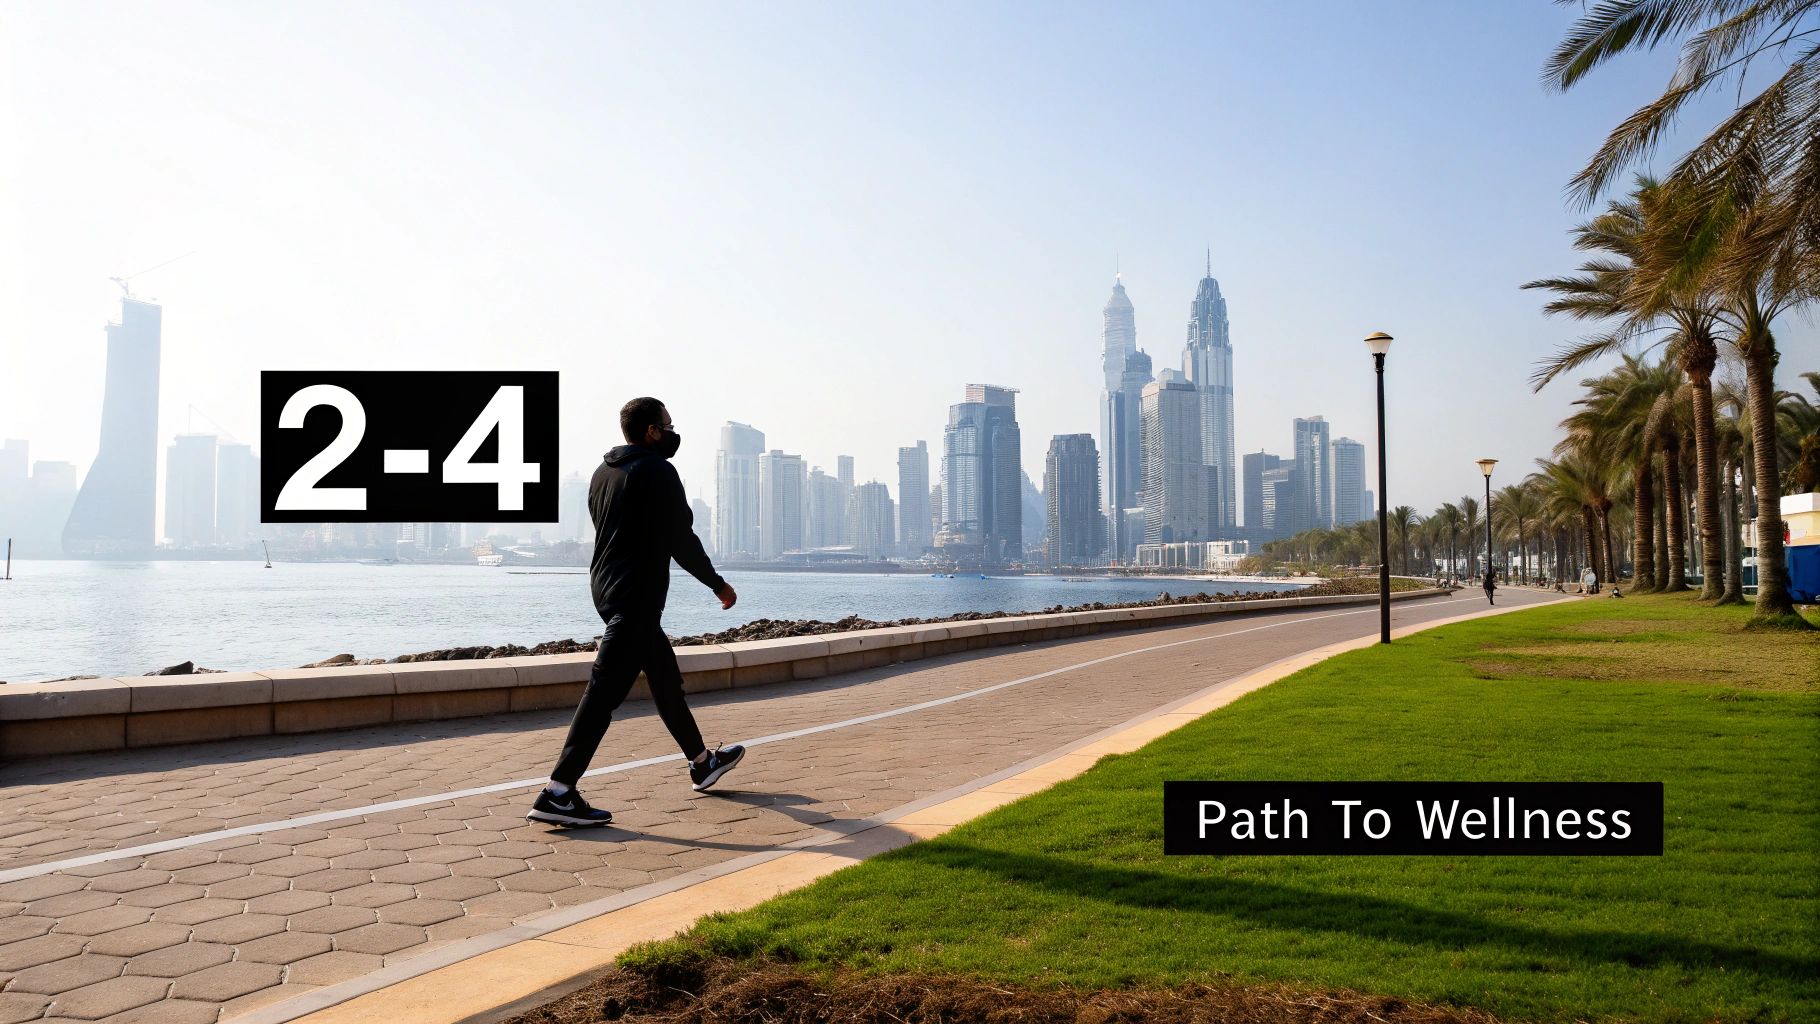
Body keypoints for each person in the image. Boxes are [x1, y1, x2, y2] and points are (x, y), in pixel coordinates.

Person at [528, 397, 744, 827]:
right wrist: (717, 584)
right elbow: (680, 538)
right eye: (668, 426)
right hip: (636, 598)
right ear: (651, 431)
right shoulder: (657, 471)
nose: (672, 433)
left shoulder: (602, 473)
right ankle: (558, 792)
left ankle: (702, 762)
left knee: (665, 680)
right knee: (602, 694)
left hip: (606, 590)